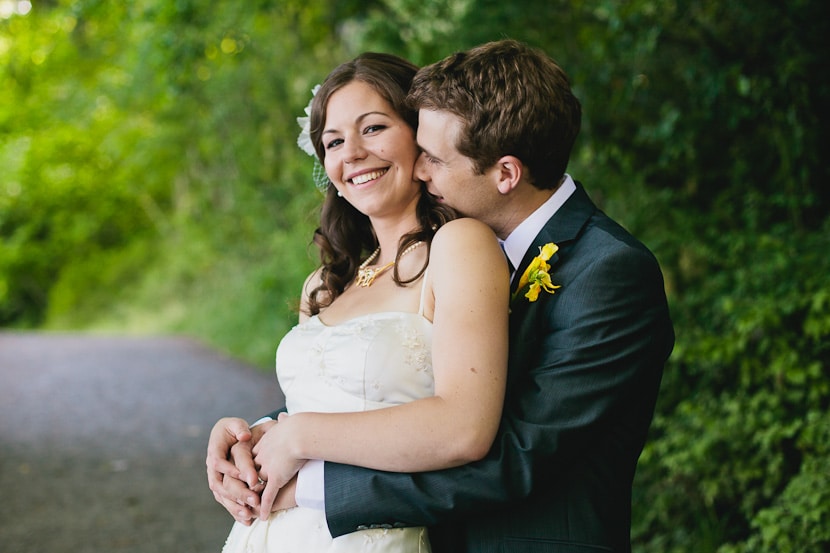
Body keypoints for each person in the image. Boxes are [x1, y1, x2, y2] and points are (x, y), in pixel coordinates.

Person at [209, 39, 675, 552]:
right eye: (333, 140)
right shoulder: (341, 277)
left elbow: (511, 455)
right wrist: (256, 442)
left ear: (505, 173)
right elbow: (364, 394)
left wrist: (310, 478)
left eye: (431, 156)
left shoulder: (606, 271)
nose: (424, 171)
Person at [213, 52, 510, 553]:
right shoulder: (324, 285)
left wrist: (299, 436)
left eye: (372, 128)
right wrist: (248, 438)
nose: (350, 153)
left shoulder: (459, 247)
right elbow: (318, 407)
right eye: (333, 141)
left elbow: (465, 428)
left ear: (419, 137)